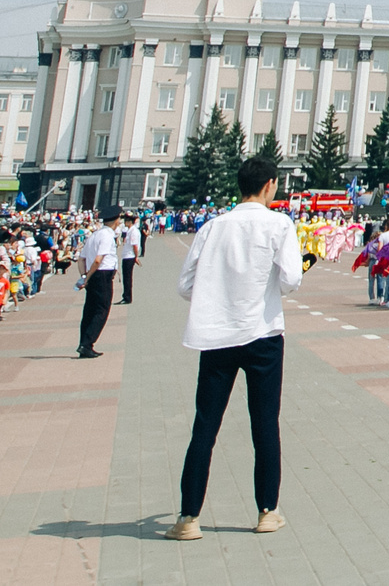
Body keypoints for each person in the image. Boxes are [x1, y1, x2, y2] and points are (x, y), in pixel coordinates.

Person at [168, 156, 305, 539]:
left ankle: (188, 517)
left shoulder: (212, 227)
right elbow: (291, 279)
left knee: (204, 427)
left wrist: (218, 296)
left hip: (216, 336)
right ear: (269, 185)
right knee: (264, 424)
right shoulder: (279, 224)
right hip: (262, 335)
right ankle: (266, 511)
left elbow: (184, 286)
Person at [75, 209, 120, 357]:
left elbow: (81, 259)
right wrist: (87, 277)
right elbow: (98, 260)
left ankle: (83, 343)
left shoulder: (94, 235)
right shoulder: (107, 236)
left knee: (89, 310)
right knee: (101, 310)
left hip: (92, 274)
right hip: (102, 274)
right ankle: (87, 344)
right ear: (116, 221)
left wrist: (84, 276)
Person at [118, 211, 143, 306]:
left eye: (126, 221)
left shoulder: (133, 232)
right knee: (126, 277)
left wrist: (136, 257)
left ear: (130, 221)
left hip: (130, 256)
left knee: (127, 278)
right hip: (127, 256)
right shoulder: (129, 231)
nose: (125, 222)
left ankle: (127, 297)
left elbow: (135, 246)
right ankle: (125, 295)